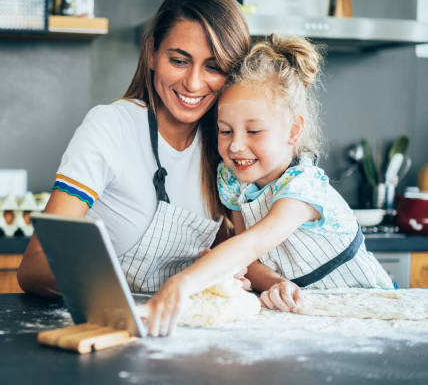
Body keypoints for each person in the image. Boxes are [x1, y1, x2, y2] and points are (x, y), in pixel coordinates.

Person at [143, 34, 394, 336]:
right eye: (225, 131)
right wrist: (277, 284)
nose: (236, 145)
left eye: (253, 131)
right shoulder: (234, 182)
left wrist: (179, 284)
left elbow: (249, 244)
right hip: (314, 317)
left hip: (372, 310)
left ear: (294, 129)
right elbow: (249, 259)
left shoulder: (304, 188)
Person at [17, 0, 251, 297]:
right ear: (152, 53)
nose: (194, 83)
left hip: (181, 333)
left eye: (213, 67)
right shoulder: (111, 127)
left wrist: (225, 275)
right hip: (105, 326)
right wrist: (113, 291)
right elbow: (34, 266)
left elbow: (231, 257)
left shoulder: (226, 149)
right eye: (179, 61)